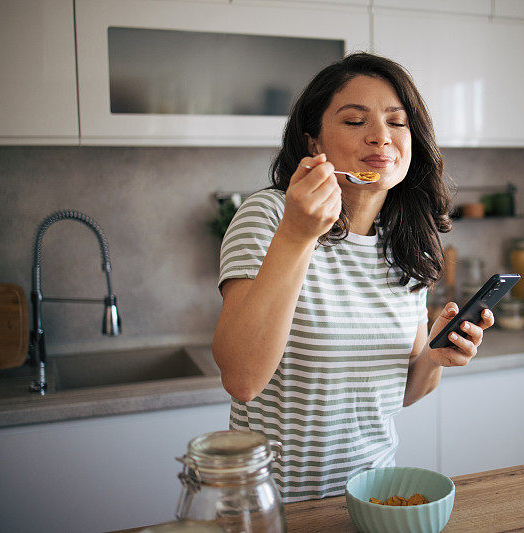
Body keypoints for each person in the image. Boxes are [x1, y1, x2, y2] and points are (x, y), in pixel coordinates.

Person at [212, 52, 494, 503]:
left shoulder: (409, 241)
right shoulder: (270, 217)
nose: (380, 137)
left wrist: (436, 355)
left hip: (373, 500)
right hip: (271, 507)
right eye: (354, 121)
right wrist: (297, 235)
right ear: (314, 145)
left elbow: (395, 395)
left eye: (396, 122)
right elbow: (242, 379)